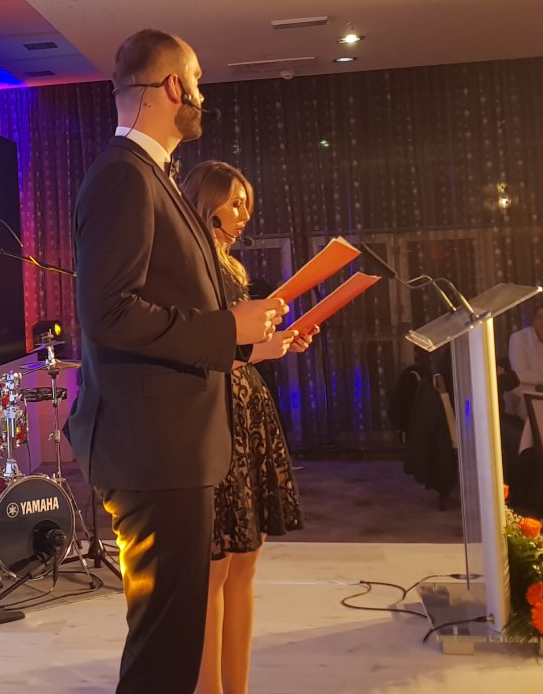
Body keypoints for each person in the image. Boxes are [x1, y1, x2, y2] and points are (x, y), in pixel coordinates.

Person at [66, 29, 284, 694]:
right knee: (163, 652)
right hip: (152, 450)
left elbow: (169, 306)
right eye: (196, 81)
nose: (202, 95)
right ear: (171, 87)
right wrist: (225, 328)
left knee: (178, 642)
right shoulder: (123, 177)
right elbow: (109, 314)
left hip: (171, 448)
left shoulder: (152, 176)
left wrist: (244, 342)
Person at [181, 160, 311, 694]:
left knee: (245, 561)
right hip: (212, 414)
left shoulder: (232, 266)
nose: (243, 214)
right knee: (214, 567)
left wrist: (275, 344)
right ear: (205, 201)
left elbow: (238, 349)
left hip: (248, 409)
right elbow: (196, 346)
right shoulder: (186, 263)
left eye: (247, 205)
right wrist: (252, 347)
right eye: (235, 203)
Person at [508, 304, 543, 387]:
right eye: (540, 317)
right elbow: (520, 374)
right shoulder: (519, 338)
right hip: (527, 391)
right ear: (534, 320)